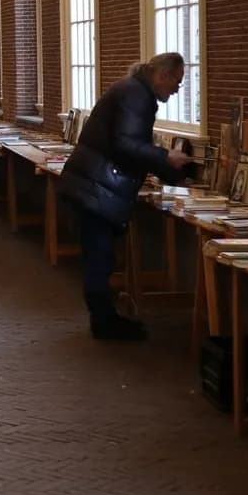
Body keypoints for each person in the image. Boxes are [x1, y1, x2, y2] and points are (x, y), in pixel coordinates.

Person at [57, 52, 192, 341]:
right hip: (98, 187)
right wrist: (165, 157)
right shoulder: (137, 96)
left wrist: (170, 171)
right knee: (100, 256)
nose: (177, 89)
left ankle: (104, 318)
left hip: (94, 185)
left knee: (100, 255)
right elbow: (125, 144)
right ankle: (104, 323)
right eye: (177, 82)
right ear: (163, 75)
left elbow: (128, 143)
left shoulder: (131, 90)